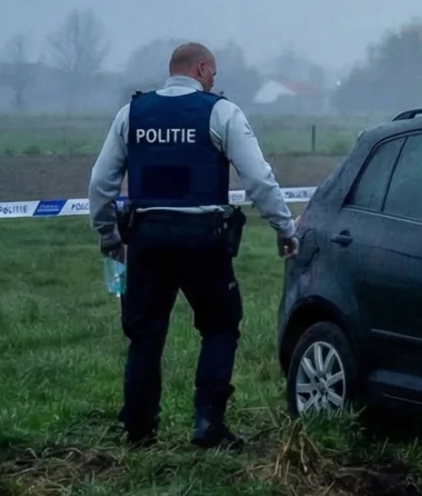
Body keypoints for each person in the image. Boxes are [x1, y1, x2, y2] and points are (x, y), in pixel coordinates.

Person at [87, 42, 298, 448]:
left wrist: (109, 236)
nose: (214, 80)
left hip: (147, 238)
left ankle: (139, 428)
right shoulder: (221, 112)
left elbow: (101, 183)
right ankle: (208, 423)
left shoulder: (132, 113)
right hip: (204, 238)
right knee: (220, 326)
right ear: (201, 68)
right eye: (213, 72)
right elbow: (258, 178)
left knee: (145, 334)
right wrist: (284, 228)